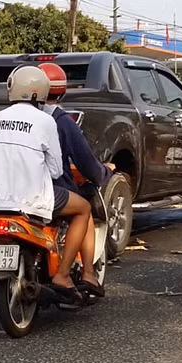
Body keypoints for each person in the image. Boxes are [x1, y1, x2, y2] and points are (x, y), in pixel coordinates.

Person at [0, 65, 90, 304]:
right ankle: (62, 275)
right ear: (42, 92)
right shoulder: (45, 121)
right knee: (83, 209)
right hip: (32, 198)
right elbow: (56, 169)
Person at [41, 63, 115, 297]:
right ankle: (87, 274)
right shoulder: (61, 121)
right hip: (49, 193)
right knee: (83, 211)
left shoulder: (9, 118)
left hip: (4, 193)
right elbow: (85, 163)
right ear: (62, 91)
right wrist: (104, 172)